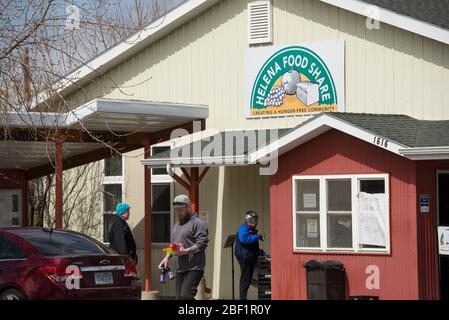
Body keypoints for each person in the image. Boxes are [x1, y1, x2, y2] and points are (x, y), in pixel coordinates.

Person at [158, 194, 209, 300]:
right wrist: (166, 257)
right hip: (180, 268)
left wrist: (186, 251)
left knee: (186, 296)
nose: (178, 213)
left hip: (195, 267)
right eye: (177, 210)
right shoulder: (176, 225)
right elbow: (173, 245)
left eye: (181, 209)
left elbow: (202, 244)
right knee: (179, 298)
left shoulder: (197, 223)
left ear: (188, 207)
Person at [234, 211, 263, 300]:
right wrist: (257, 237)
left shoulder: (252, 230)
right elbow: (244, 239)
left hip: (251, 257)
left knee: (251, 278)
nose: (255, 222)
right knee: (245, 279)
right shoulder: (243, 228)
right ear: (248, 220)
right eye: (253, 220)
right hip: (244, 258)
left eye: (256, 220)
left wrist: (259, 252)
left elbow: (252, 245)